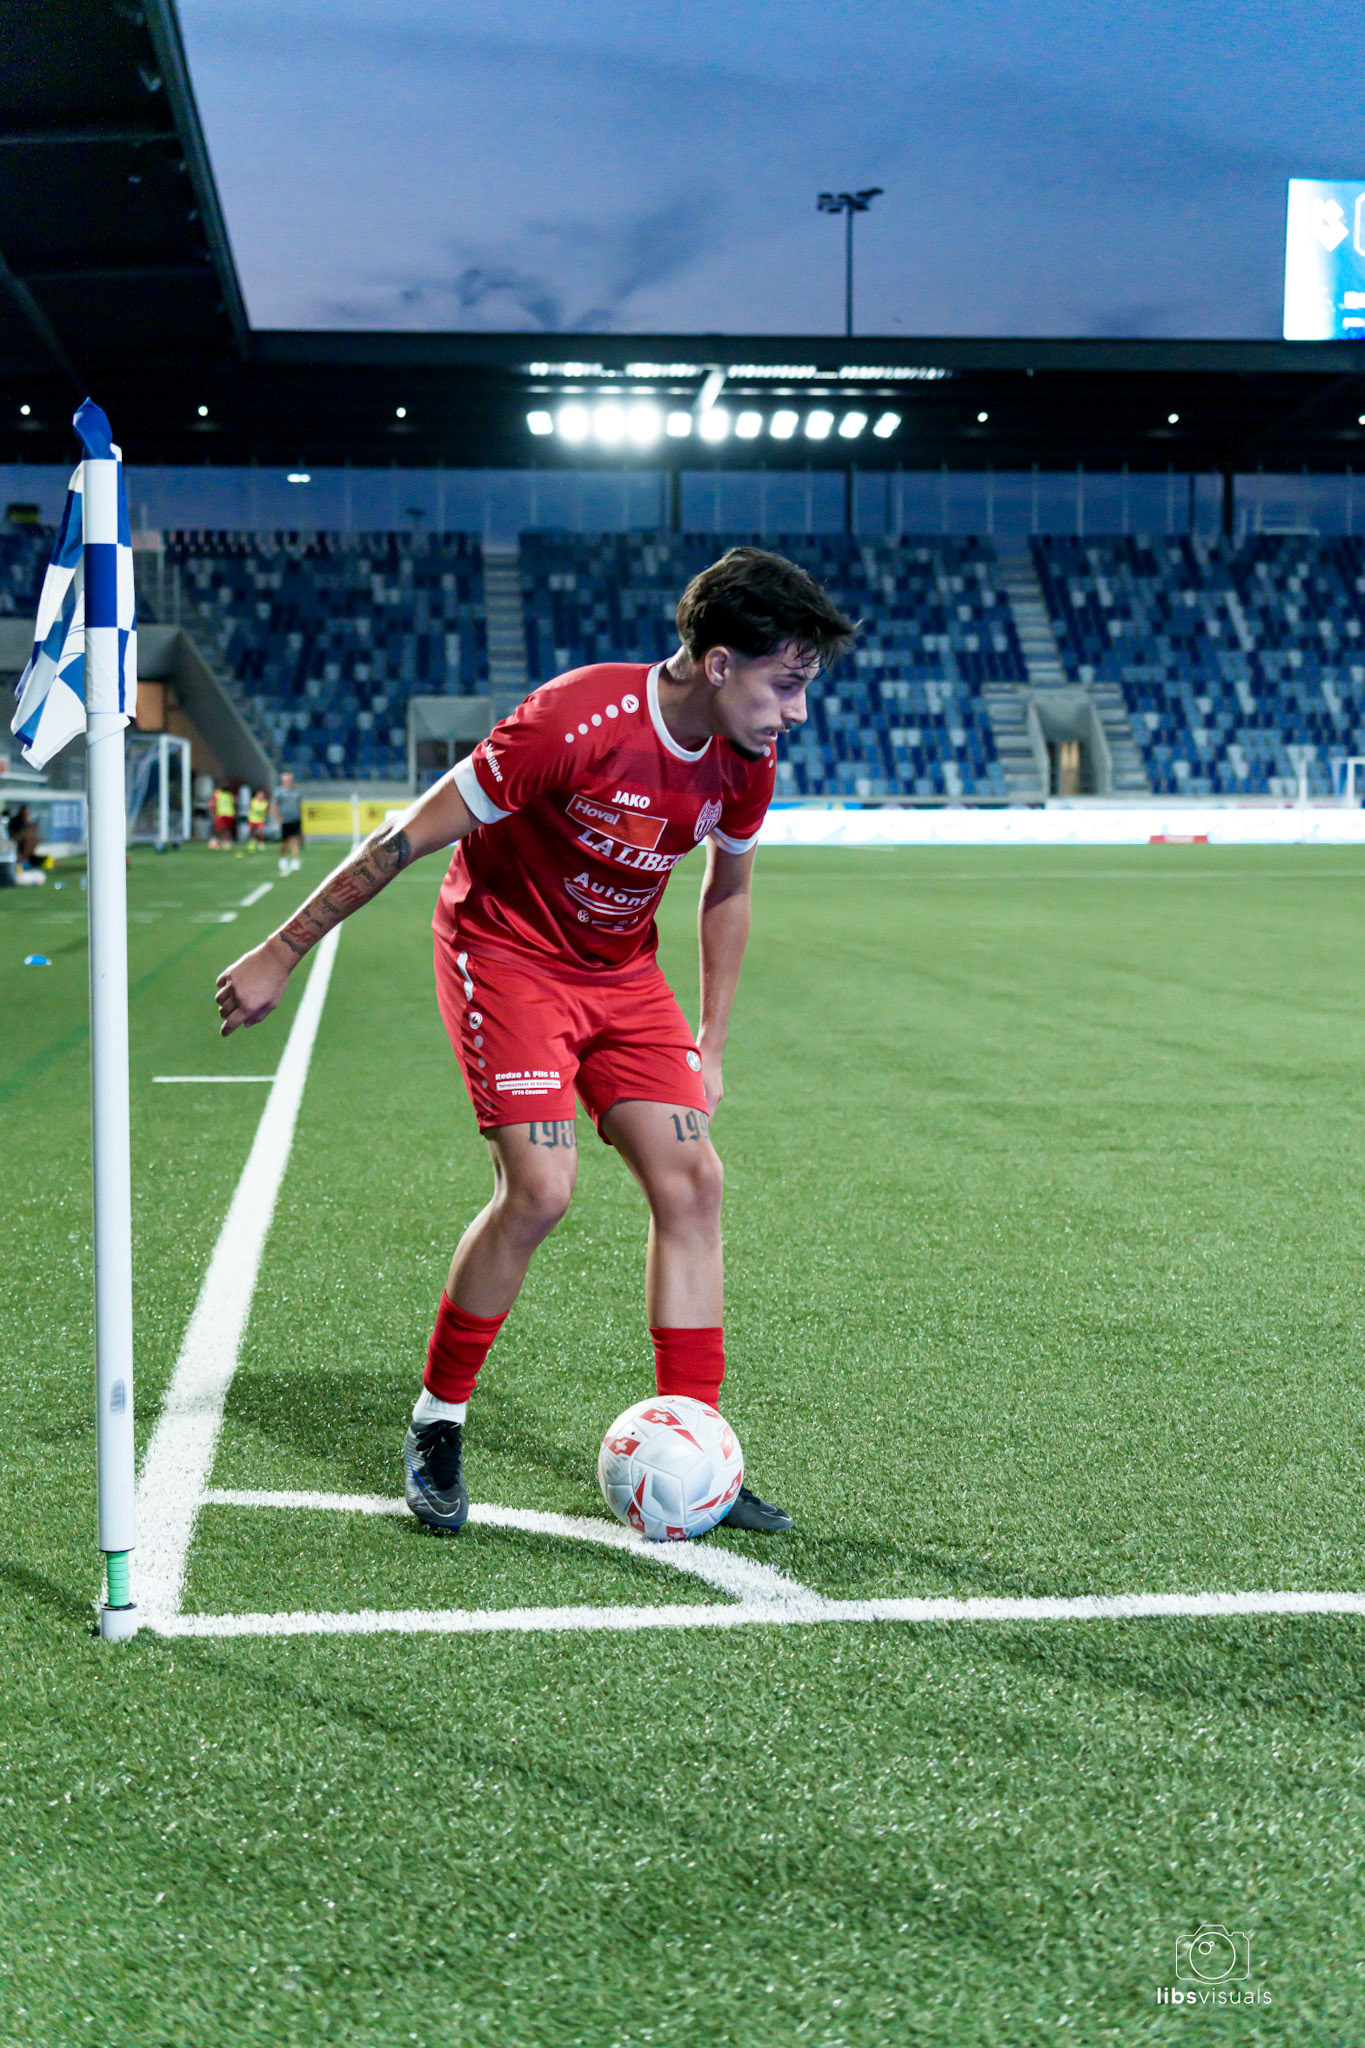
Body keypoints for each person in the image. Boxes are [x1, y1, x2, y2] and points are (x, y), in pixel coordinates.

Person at [215, 548, 855, 1536]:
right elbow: (408, 836)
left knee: (694, 1181)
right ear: (719, 662)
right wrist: (281, 948)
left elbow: (728, 891)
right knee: (542, 1189)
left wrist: (709, 1043)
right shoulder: (575, 720)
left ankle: (698, 1446)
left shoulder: (748, 757)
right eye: (788, 682)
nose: (797, 710)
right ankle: (438, 1420)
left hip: (622, 976)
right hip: (506, 955)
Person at [275, 771, 303, 874]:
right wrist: (278, 818)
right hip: (285, 820)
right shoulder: (279, 792)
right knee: (284, 842)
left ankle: (295, 860)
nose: (288, 782)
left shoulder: (296, 792)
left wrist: (301, 817)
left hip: (295, 819)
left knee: (294, 840)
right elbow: (276, 805)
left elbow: (300, 805)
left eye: (289, 780)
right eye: (286, 780)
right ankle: (283, 858)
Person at [209, 782, 236, 848]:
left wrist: (213, 813)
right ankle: (224, 841)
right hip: (227, 814)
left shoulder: (218, 794)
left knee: (223, 829)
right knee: (224, 829)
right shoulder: (230, 794)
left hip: (223, 814)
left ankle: (225, 841)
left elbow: (212, 804)